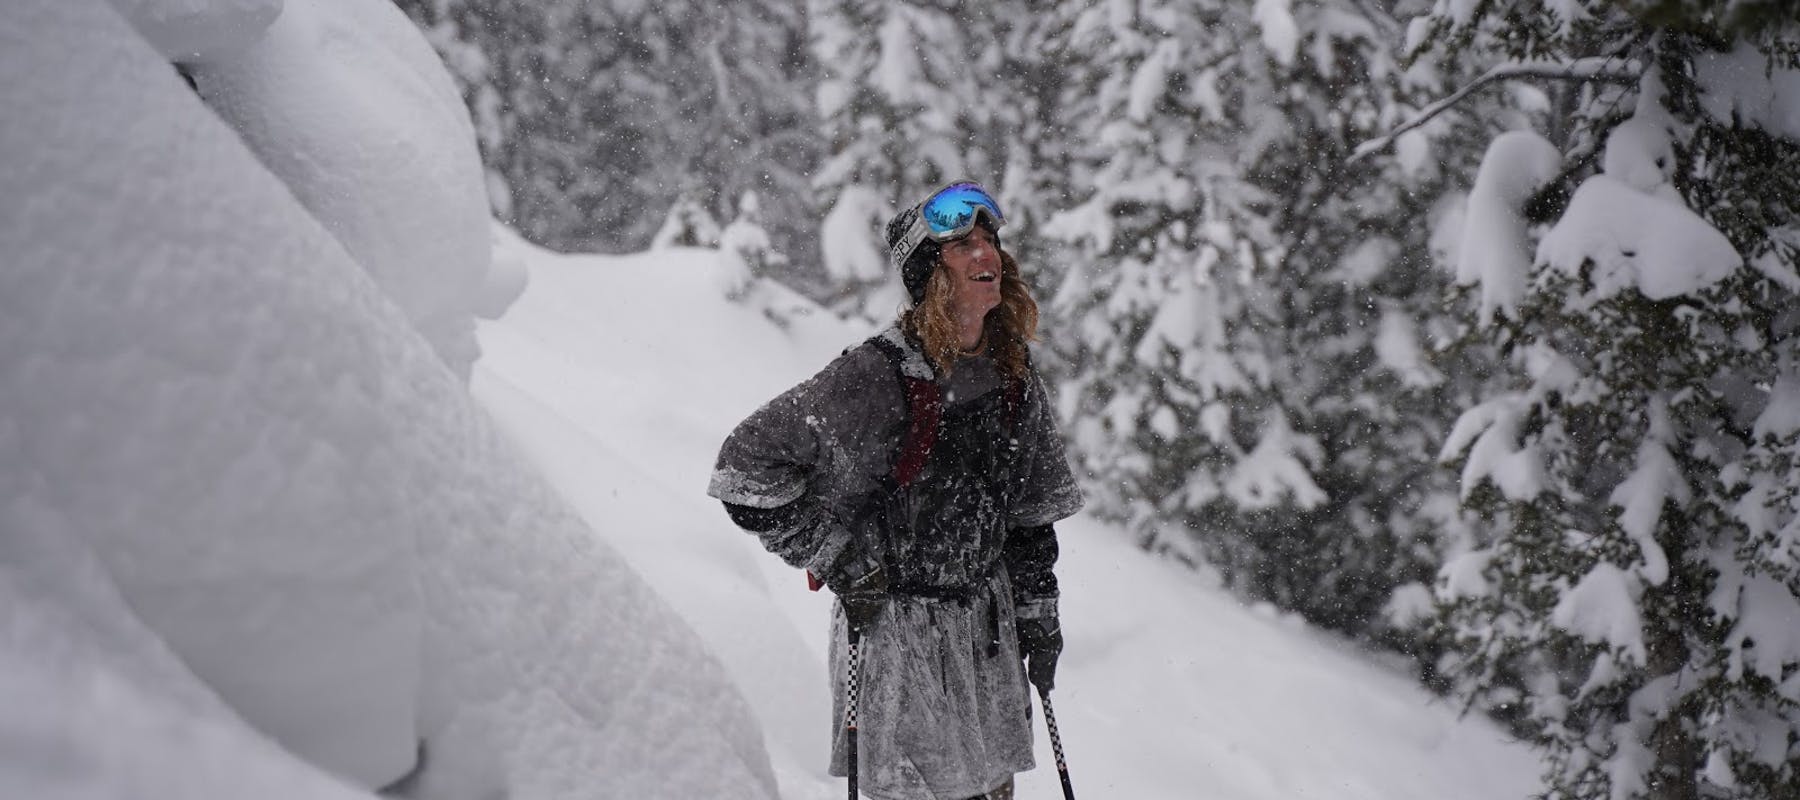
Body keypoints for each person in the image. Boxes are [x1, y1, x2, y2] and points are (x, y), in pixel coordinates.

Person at [707, 181, 1084, 800]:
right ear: (929, 270)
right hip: (893, 635)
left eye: (989, 240)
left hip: (984, 635)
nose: (985, 253)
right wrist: (838, 556)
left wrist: (1039, 619)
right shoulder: (875, 374)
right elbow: (743, 470)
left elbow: (1029, 518)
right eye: (963, 245)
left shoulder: (1011, 371)